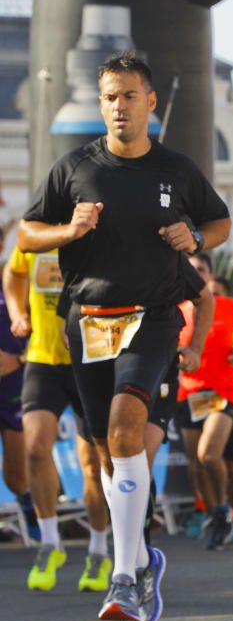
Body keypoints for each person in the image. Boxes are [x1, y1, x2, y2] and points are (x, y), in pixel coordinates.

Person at [17, 52, 231, 621]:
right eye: (110, 96)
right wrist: (68, 229)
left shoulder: (177, 170)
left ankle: (123, 574)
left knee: (124, 431)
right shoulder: (74, 169)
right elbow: (26, 232)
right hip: (87, 321)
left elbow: (220, 221)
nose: (119, 106)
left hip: (153, 316)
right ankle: (140, 560)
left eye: (130, 95)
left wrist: (195, 239)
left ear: (150, 102)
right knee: (111, 457)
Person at [5, 242, 113, 592]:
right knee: (35, 447)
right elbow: (13, 272)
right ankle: (50, 543)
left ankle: (99, 550)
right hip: (41, 359)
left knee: (92, 465)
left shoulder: (94, 236)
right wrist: (17, 313)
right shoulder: (35, 237)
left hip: (89, 358)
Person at [176, 254, 233, 550]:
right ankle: (215, 509)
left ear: (210, 274)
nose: (196, 274)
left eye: (201, 270)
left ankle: (224, 512)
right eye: (191, 269)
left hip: (222, 393)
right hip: (188, 394)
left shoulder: (228, 305)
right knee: (197, 465)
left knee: (210, 455)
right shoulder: (177, 308)